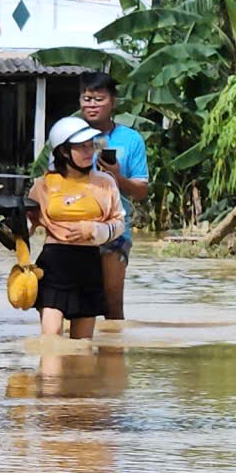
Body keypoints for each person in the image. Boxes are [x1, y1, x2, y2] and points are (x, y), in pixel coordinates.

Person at [26, 115, 125, 339]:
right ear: (63, 152)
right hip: (54, 265)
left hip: (88, 265)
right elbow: (29, 223)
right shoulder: (43, 185)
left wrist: (92, 230)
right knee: (51, 338)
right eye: (81, 147)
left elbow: (118, 223)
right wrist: (11, 230)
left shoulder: (105, 182)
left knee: (82, 346)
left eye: (91, 146)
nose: (89, 152)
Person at [73, 73, 148, 322]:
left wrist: (118, 178)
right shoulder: (69, 135)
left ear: (113, 101)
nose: (91, 104)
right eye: (87, 98)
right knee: (74, 305)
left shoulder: (131, 139)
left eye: (98, 99)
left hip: (114, 230)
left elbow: (141, 190)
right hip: (72, 230)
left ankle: (112, 358)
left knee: (112, 305)